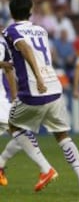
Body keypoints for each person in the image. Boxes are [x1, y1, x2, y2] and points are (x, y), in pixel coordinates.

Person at [1, 0, 79, 193]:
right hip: (55, 89)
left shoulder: (10, 31)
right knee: (63, 136)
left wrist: (38, 78)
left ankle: (46, 168)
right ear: (30, 12)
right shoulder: (41, 30)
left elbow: (24, 49)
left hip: (33, 91)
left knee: (15, 126)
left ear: (11, 12)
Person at [0, 37, 22, 186]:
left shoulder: (2, 44)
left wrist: (14, 98)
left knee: (23, 136)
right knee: (23, 136)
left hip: (2, 100)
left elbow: (9, 69)